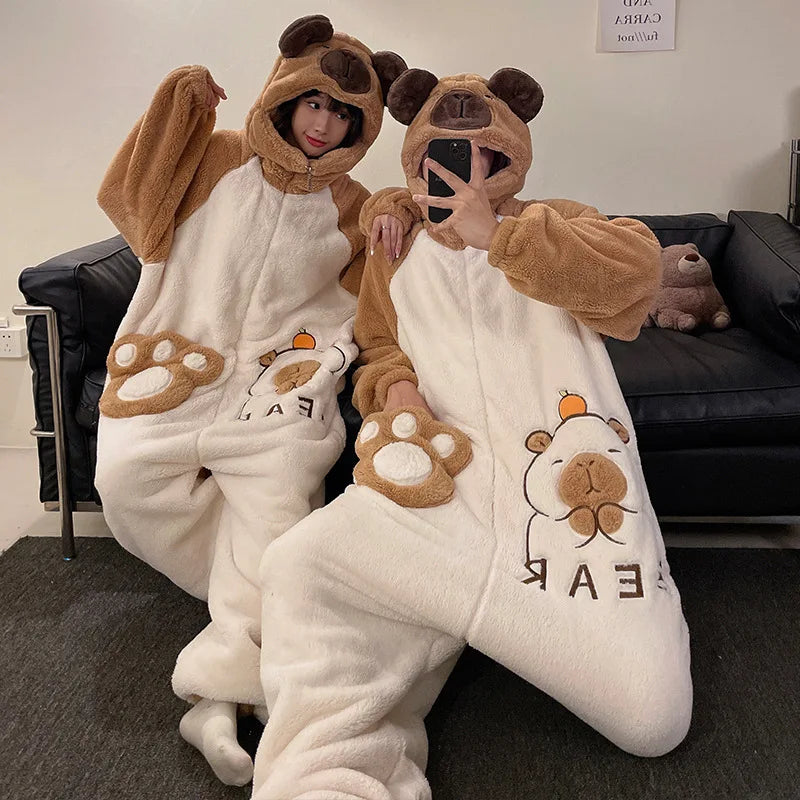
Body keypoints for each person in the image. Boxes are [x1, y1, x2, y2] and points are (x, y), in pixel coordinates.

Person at [249, 66, 693, 799]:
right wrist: (396, 389)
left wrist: (499, 235)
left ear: (510, 154)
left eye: (482, 154)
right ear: (417, 158)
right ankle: (331, 776)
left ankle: (456, 623)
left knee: (653, 719)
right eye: (446, 155)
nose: (464, 171)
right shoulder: (395, 246)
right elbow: (378, 346)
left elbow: (633, 279)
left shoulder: (557, 223)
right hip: (440, 496)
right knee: (297, 564)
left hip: (557, 515)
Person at [93, 14, 407, 786]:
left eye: (344, 114)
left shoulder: (354, 205)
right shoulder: (217, 159)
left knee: (275, 516)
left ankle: (215, 698)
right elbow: (129, 201)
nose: (323, 123)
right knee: (123, 483)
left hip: (278, 386)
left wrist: (398, 208)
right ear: (286, 95)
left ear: (362, 126)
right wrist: (179, 107)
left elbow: (384, 292)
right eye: (314, 103)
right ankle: (264, 624)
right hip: (176, 364)